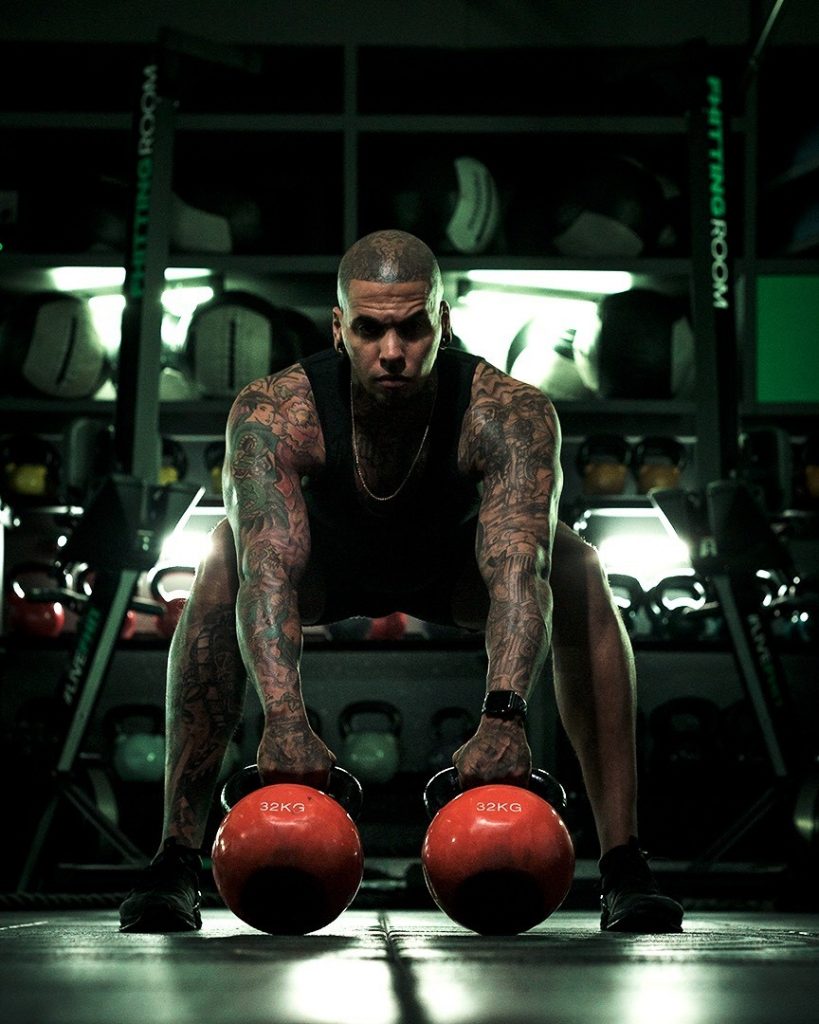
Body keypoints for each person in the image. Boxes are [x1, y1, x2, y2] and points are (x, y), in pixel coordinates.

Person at [119, 229, 683, 934]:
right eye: (369, 329)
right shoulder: (276, 411)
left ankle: (624, 865)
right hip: (326, 570)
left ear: (442, 321)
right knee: (222, 557)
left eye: (412, 328)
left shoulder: (508, 411)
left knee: (577, 566)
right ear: (338, 328)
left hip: (454, 573)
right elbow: (268, 572)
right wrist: (285, 723)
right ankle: (174, 861)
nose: (392, 351)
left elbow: (519, 571)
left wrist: (503, 718)